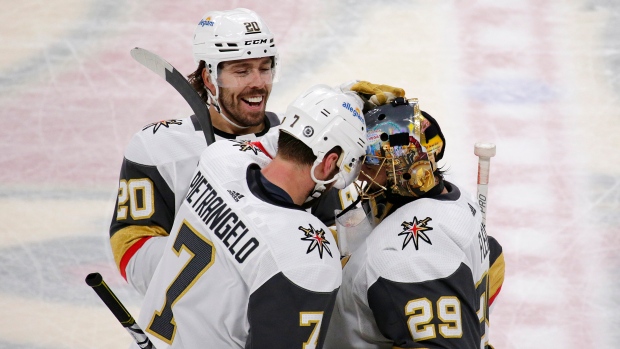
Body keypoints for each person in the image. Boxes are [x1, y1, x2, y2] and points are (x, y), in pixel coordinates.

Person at [109, 7, 405, 295]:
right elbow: (131, 252)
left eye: (265, 68)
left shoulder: (303, 143)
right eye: (242, 71)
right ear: (209, 78)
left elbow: (340, 245)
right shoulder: (158, 147)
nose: (258, 83)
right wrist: (223, 257)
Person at [132, 84, 367, 349]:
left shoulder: (219, 158)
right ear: (329, 162)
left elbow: (275, 141)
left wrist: (342, 103)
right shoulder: (307, 256)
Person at [323, 98, 505, 349]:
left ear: (411, 172)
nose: (363, 175)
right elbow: (494, 259)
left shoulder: (408, 258)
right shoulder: (459, 201)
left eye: (375, 164)